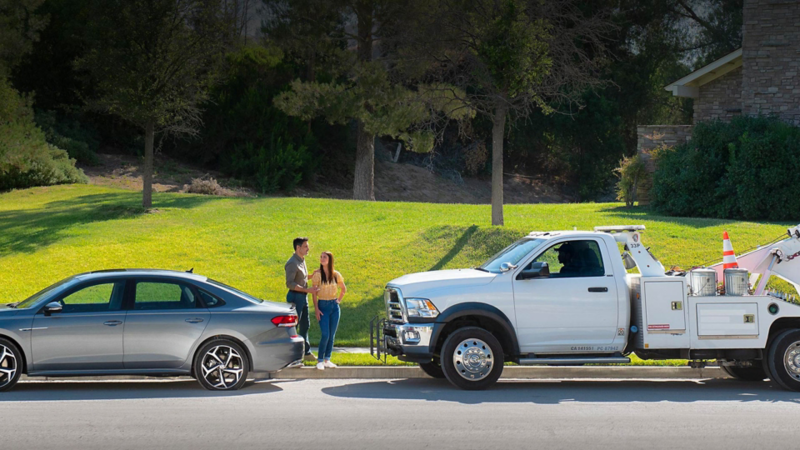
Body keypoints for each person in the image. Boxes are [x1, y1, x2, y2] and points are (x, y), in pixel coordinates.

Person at [310, 251, 347, 370]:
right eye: (321, 257)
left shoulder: (336, 275)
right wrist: (316, 309)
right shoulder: (317, 275)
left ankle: (327, 359)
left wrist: (338, 301)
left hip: (334, 306)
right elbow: (314, 294)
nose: (322, 259)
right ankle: (320, 360)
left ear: (330, 260)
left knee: (332, 335)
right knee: (325, 334)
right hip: (322, 305)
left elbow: (343, 289)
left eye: (324, 257)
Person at [285, 237, 319, 362]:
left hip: (302, 296)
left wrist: (313, 275)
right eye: (305, 246)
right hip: (295, 297)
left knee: (306, 324)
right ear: (298, 248)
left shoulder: (301, 260)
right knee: (295, 325)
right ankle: (292, 355)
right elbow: (290, 284)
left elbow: (302, 278)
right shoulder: (292, 263)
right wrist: (307, 290)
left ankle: (306, 352)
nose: (308, 248)